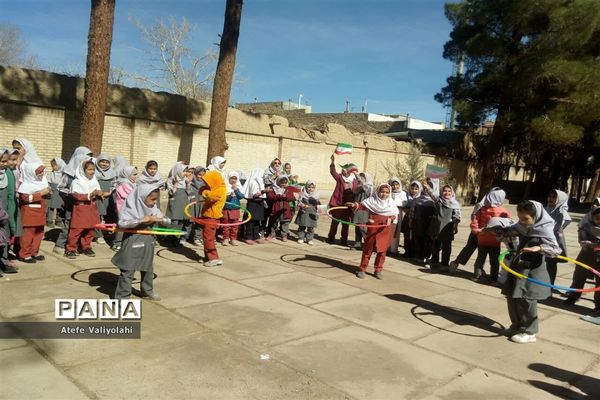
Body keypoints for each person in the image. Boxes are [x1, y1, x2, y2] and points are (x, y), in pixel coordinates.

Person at [497, 200, 561, 344]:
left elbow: (556, 250)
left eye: (525, 218)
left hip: (533, 271)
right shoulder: (522, 226)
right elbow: (510, 231)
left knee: (527, 300)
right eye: (520, 218)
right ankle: (516, 325)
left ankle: (529, 331)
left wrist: (539, 248)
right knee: (512, 296)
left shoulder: (545, 229)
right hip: (518, 267)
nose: (522, 222)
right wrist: (499, 230)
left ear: (536, 216)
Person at [112, 183, 169, 301]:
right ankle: (122, 298)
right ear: (142, 197)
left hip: (148, 240)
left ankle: (147, 291)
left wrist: (159, 219)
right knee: (128, 270)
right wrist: (141, 220)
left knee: (147, 268)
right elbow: (122, 223)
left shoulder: (153, 208)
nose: (154, 202)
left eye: (156, 200)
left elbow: (168, 221)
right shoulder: (130, 207)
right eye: (152, 199)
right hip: (132, 240)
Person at [449, 187, 505, 272]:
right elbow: (474, 216)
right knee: (470, 247)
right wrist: (477, 229)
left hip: (488, 234)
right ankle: (456, 263)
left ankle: (479, 270)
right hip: (478, 231)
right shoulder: (481, 205)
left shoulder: (499, 207)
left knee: (482, 253)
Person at [350, 183, 399, 279]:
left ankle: (378, 270)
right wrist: (354, 205)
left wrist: (391, 219)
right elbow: (361, 206)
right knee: (368, 250)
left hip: (384, 230)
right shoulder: (372, 201)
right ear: (377, 192)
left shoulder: (391, 204)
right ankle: (362, 269)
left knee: (382, 251)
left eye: (386, 192)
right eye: (382, 192)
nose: (384, 194)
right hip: (373, 228)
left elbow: (394, 215)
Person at [66, 159, 106, 259]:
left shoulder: (94, 180)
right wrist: (90, 194)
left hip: (92, 208)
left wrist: (101, 194)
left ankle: (86, 246)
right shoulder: (77, 182)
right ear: (83, 170)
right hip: (81, 208)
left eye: (93, 169)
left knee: (90, 229)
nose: (92, 172)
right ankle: (71, 248)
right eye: (89, 169)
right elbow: (76, 195)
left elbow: (97, 191)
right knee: (76, 229)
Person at [564, 206, 600, 313]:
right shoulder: (586, 226)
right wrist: (593, 244)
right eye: (597, 218)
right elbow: (582, 241)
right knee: (579, 277)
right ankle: (573, 296)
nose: (599, 221)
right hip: (586, 255)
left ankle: (598, 305)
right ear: (592, 217)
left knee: (599, 284)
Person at [470, 188, 510, 281]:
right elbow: (509, 223)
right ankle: (493, 277)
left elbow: (475, 220)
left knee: (480, 258)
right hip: (495, 240)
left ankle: (477, 274)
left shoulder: (482, 209)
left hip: (482, 238)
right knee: (494, 260)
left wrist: (476, 230)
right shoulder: (503, 212)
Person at [423, 183, 461, 270]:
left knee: (446, 247)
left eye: (449, 191)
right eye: (444, 191)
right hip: (436, 226)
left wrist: (455, 226)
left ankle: (444, 264)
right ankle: (434, 262)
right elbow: (432, 194)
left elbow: (457, 216)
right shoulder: (438, 200)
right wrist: (427, 187)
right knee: (435, 245)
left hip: (447, 228)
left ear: (452, 193)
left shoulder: (454, 204)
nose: (446, 193)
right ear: (441, 192)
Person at [17, 163, 50, 263]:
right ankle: (24, 254)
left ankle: (34, 252)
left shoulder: (42, 182)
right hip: (30, 213)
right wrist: (40, 193)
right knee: (28, 234)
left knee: (39, 233)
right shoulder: (26, 184)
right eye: (39, 172)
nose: (41, 174)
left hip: (40, 212)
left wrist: (48, 193)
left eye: (42, 171)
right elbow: (25, 198)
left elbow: (45, 195)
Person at [327, 154, 358, 246]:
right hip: (338, 204)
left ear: (349, 172)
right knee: (335, 222)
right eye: (342, 170)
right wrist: (332, 162)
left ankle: (344, 240)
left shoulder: (354, 180)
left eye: (344, 170)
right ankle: (330, 238)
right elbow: (333, 172)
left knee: (345, 224)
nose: (343, 172)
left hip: (348, 205)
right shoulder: (340, 178)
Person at [198, 170, 227, 267]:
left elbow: (210, 197)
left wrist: (205, 191)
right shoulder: (214, 187)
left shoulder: (220, 189)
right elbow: (200, 191)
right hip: (208, 216)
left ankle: (213, 258)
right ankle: (208, 257)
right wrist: (205, 189)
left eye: (208, 182)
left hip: (212, 217)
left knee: (208, 238)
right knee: (206, 238)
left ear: (213, 181)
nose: (206, 184)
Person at [545, 189, 571, 285]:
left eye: (554, 197)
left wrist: (559, 228)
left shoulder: (561, 212)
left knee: (551, 264)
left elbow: (567, 219)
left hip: (553, 242)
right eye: (549, 196)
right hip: (542, 239)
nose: (550, 199)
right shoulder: (546, 209)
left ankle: (549, 286)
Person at [112, 165, 138, 251]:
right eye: (134, 174)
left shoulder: (131, 183)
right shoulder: (124, 184)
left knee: (129, 225)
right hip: (124, 209)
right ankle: (117, 243)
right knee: (122, 226)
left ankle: (125, 242)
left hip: (130, 209)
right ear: (127, 174)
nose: (135, 176)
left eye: (136, 174)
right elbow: (131, 195)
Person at [265, 175, 299, 241]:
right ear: (278, 182)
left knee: (285, 223)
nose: (283, 184)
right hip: (276, 208)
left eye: (285, 183)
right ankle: (272, 234)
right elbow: (270, 197)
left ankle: (284, 235)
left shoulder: (288, 189)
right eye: (282, 183)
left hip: (285, 209)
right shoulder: (273, 189)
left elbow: (292, 197)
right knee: (274, 223)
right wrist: (278, 196)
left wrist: (286, 196)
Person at [409, 181, 435, 264]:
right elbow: (412, 211)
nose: (425, 190)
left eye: (428, 188)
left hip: (429, 224)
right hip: (417, 223)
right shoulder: (417, 199)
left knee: (427, 240)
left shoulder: (434, 201)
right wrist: (410, 221)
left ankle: (426, 256)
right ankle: (417, 256)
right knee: (417, 239)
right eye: (424, 188)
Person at [165, 162, 190, 247]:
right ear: (178, 170)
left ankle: (176, 239)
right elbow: (171, 193)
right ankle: (169, 239)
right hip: (175, 203)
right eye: (184, 171)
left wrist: (187, 184)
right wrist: (175, 184)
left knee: (181, 222)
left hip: (183, 203)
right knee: (174, 222)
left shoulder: (185, 181)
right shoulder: (170, 180)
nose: (186, 173)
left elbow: (189, 192)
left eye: (186, 171)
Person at [94, 155, 116, 245]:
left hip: (108, 196)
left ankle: (107, 232)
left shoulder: (112, 173)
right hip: (97, 197)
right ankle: (98, 235)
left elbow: (114, 184)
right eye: (102, 161)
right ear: (98, 162)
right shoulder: (94, 172)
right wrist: (99, 193)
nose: (104, 164)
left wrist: (109, 192)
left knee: (109, 214)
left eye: (107, 162)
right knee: (98, 215)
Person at [243, 168, 267, 245]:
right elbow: (254, 195)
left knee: (257, 221)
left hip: (259, 203)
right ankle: (248, 237)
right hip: (253, 203)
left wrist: (264, 202)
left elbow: (262, 196)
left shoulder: (260, 182)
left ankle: (256, 236)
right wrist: (264, 191)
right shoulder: (253, 182)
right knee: (251, 221)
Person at [221, 171, 244, 246]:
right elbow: (223, 198)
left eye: (235, 178)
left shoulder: (239, 187)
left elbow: (241, 196)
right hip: (227, 208)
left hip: (235, 208)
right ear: (228, 178)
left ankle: (233, 239)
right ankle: (225, 239)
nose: (233, 180)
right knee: (226, 225)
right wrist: (230, 196)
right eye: (231, 178)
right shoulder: (224, 187)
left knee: (235, 225)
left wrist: (236, 189)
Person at [351, 172, 373, 250]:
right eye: (361, 177)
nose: (361, 179)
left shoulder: (368, 187)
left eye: (363, 177)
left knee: (363, 228)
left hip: (364, 210)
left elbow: (365, 187)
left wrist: (357, 176)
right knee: (357, 227)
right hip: (357, 209)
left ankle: (368, 244)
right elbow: (355, 192)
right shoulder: (359, 187)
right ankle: (358, 243)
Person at [296, 180, 320, 245]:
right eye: (309, 187)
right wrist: (303, 205)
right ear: (306, 187)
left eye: (313, 187)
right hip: (303, 212)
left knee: (311, 227)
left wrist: (319, 212)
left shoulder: (316, 195)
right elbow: (298, 202)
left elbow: (318, 205)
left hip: (312, 213)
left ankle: (309, 239)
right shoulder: (303, 194)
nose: (311, 189)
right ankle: (301, 237)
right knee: (302, 226)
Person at [388, 177, 408, 255]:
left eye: (397, 185)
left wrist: (393, 203)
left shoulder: (403, 193)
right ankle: (386, 248)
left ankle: (393, 249)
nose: (395, 187)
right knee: (388, 231)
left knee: (395, 232)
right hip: (389, 213)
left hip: (398, 213)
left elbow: (404, 203)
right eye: (393, 185)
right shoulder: (388, 192)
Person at [401, 181, 421, 258]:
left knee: (414, 236)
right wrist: (406, 209)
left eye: (416, 189)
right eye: (412, 188)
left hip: (416, 219)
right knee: (406, 235)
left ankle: (414, 252)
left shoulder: (420, 198)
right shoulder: (407, 196)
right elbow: (403, 206)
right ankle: (407, 251)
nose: (414, 190)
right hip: (407, 218)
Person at [187, 166, 206, 246]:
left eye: (203, 175)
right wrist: (188, 183)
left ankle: (197, 238)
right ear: (195, 174)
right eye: (199, 175)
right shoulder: (190, 183)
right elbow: (187, 192)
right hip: (192, 205)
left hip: (201, 205)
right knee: (190, 222)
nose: (201, 177)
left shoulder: (205, 184)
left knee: (200, 222)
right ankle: (186, 237)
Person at [46, 158, 65, 227]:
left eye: (54, 166)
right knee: (51, 206)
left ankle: (58, 220)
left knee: (60, 206)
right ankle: (49, 220)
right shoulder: (52, 174)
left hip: (60, 192)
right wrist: (49, 188)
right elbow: (48, 181)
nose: (53, 168)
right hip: (53, 191)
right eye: (52, 166)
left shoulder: (64, 174)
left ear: (59, 165)